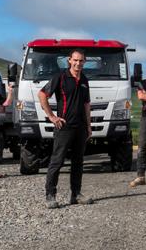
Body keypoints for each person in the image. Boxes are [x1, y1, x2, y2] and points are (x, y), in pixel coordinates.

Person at [38, 49, 93, 209]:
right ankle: (50, 195)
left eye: (81, 61)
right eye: (75, 60)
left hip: (80, 127)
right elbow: (42, 95)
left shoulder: (84, 80)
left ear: (84, 62)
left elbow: (86, 104)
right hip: (64, 126)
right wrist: (52, 116)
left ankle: (76, 194)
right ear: (69, 60)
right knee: (57, 161)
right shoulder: (60, 77)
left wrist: (89, 126)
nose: (78, 63)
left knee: (78, 162)